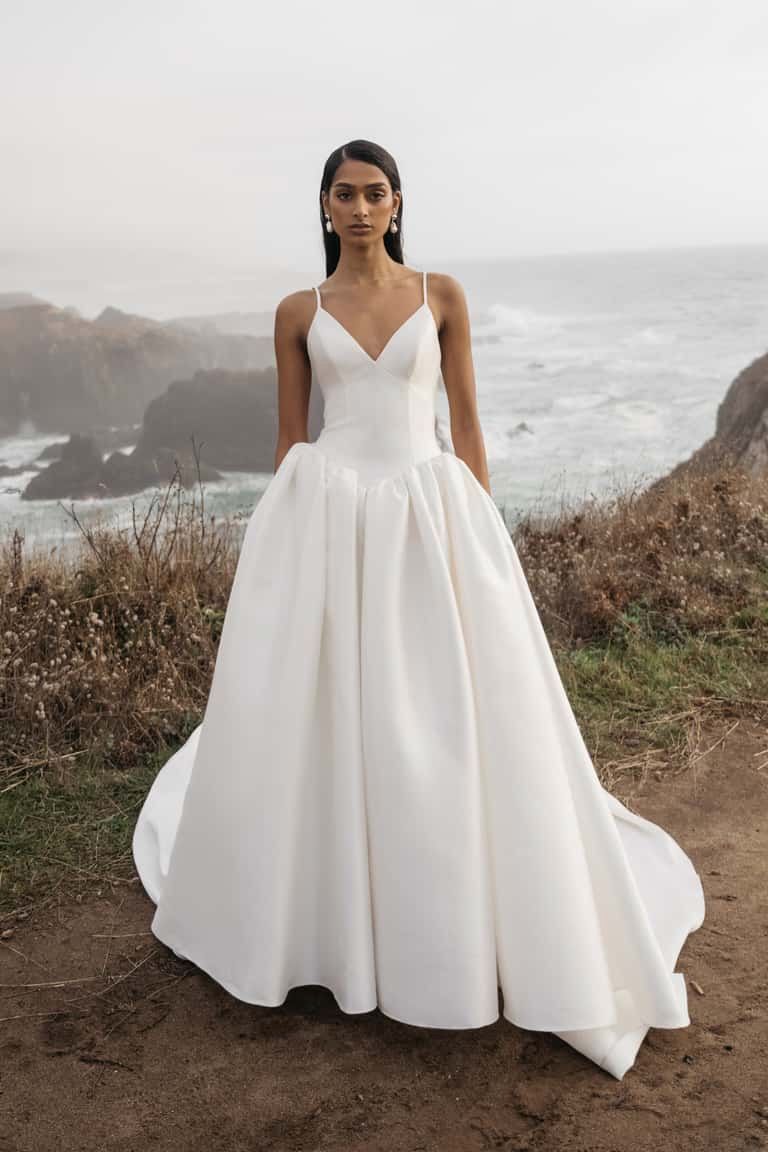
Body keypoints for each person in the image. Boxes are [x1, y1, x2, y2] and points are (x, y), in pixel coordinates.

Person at [132, 138, 705, 1080]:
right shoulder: (295, 312)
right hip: (329, 521)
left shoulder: (442, 296)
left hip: (429, 516)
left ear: (397, 205)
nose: (359, 209)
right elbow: (291, 440)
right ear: (323, 209)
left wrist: (482, 538)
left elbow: (466, 428)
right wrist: (284, 563)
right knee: (331, 713)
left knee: (444, 718)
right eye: (343, 195)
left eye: (375, 193)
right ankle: (326, 923)